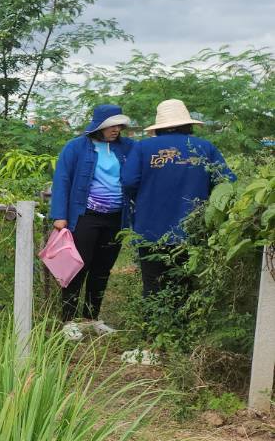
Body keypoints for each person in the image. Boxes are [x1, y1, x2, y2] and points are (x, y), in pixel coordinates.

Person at [120, 98, 235, 308]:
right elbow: (226, 183)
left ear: (159, 127)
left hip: (150, 225)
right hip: (192, 227)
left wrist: (145, 197)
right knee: (186, 280)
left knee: (153, 282)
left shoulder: (143, 148)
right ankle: (183, 326)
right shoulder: (205, 147)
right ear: (188, 124)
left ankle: (154, 326)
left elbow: (128, 181)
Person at [48, 104, 135, 340]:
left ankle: (91, 318)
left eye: (119, 125)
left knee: (102, 269)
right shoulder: (76, 147)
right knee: (76, 267)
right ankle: (67, 320)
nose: (116, 129)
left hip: (116, 218)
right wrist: (60, 215)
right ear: (99, 126)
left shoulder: (128, 148)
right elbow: (62, 179)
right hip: (85, 217)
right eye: (111, 125)